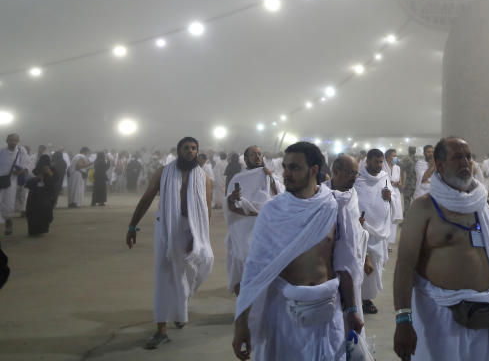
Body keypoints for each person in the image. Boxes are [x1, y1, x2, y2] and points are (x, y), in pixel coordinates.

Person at [393, 136, 489, 361]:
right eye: (457, 157)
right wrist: (403, 320)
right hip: (442, 320)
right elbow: (404, 267)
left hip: (486, 315)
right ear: (440, 164)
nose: (465, 163)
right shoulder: (423, 208)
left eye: (468, 157)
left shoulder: (479, 202)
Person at [232, 142, 362, 361]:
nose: (286, 174)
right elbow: (255, 269)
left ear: (314, 170)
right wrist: (241, 323)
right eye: (285, 167)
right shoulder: (273, 212)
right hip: (284, 313)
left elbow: (345, 264)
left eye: (294, 168)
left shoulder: (333, 207)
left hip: (327, 312)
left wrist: (351, 311)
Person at [126, 137, 214, 349]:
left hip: (191, 230)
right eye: (186, 148)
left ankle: (179, 309)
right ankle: (161, 329)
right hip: (166, 228)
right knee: (164, 275)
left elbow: (206, 211)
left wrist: (197, 237)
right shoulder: (164, 172)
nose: (190, 152)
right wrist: (132, 226)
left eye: (194, 148)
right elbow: (147, 197)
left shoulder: (204, 178)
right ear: (179, 151)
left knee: (192, 271)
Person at [224, 146, 282, 295]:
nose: (257, 157)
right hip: (241, 227)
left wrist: (269, 176)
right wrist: (233, 198)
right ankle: (243, 306)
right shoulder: (238, 178)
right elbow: (229, 202)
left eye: (259, 154)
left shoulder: (268, 175)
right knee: (241, 267)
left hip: (262, 228)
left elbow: (279, 196)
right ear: (246, 158)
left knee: (261, 267)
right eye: (253, 154)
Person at [328, 155, 370, 328]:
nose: (354, 177)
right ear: (335, 171)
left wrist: (365, 256)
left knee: (353, 313)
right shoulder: (321, 196)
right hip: (329, 269)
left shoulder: (352, 194)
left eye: (356, 173)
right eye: (349, 173)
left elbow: (356, 229)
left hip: (351, 263)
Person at [355, 148, 392, 314]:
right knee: (361, 262)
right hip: (361, 227)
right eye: (375, 162)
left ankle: (367, 298)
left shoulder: (385, 177)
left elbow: (390, 199)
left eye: (380, 162)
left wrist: (389, 196)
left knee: (375, 265)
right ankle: (358, 298)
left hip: (379, 230)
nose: (378, 165)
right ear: (367, 161)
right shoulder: (357, 179)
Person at [0, 133, 29, 235]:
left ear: (18, 141)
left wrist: (19, 172)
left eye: (15, 140)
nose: (13, 142)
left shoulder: (21, 151)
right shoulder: (2, 152)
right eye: (11, 140)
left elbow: (25, 166)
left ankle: (8, 222)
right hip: (0, 181)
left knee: (8, 204)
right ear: (7, 140)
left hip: (11, 182)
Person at [25, 154, 57, 236]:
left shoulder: (39, 169)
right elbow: (54, 180)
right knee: (42, 212)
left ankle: (35, 231)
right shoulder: (39, 170)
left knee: (34, 213)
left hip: (35, 196)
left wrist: (48, 173)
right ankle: (40, 230)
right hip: (42, 195)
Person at [385, 148, 404, 247]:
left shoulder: (397, 168)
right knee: (386, 217)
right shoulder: (383, 167)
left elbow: (401, 184)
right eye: (393, 156)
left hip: (395, 193)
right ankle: (384, 241)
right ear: (388, 157)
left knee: (394, 219)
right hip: (385, 194)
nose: (395, 158)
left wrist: (396, 183)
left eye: (396, 156)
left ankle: (390, 242)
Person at [400, 146, 418, 212]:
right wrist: (402, 183)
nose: (413, 150)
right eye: (412, 149)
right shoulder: (405, 159)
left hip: (415, 183)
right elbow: (401, 171)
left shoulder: (416, 159)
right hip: (407, 183)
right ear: (409, 150)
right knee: (407, 201)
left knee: (416, 202)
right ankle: (406, 217)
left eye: (414, 149)